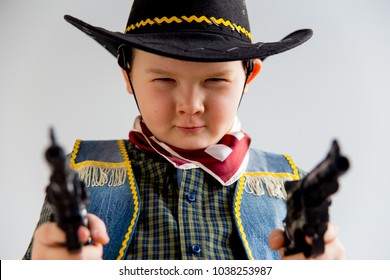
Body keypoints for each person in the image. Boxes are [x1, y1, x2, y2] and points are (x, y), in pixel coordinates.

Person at [23, 0, 345, 260]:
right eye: (164, 80)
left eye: (215, 80)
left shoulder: (290, 184)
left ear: (249, 77)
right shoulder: (79, 173)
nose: (190, 106)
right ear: (128, 75)